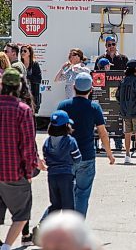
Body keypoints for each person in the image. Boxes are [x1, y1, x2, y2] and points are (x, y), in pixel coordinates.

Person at [57, 72, 115, 217]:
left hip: (65, 156)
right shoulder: (94, 108)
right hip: (86, 155)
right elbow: (103, 133)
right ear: (91, 89)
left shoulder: (63, 105)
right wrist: (109, 153)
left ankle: (48, 224)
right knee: (82, 194)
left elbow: (55, 131)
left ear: (74, 87)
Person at [0, 68, 38, 250]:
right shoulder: (23, 110)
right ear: (20, 86)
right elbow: (28, 145)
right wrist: (30, 170)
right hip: (13, 171)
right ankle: (7, 246)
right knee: (22, 214)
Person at [43, 110, 81, 213]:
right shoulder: (70, 141)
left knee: (55, 205)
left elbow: (46, 158)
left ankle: (44, 225)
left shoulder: (47, 141)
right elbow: (77, 158)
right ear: (66, 125)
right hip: (66, 175)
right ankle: (68, 228)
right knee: (68, 206)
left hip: (52, 175)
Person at [115, 59, 136, 164]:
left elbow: (117, 96)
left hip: (125, 111)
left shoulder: (122, 80)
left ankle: (127, 155)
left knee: (127, 133)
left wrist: (122, 104)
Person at [20, 44, 42, 113]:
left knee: (31, 117)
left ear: (29, 53)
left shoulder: (35, 64)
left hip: (32, 95)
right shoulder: (20, 64)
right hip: (21, 95)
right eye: (21, 51)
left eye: (24, 51)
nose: (22, 53)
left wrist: (26, 76)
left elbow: (38, 79)